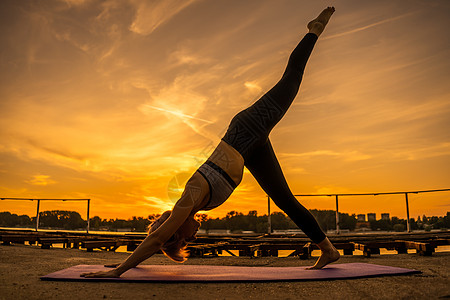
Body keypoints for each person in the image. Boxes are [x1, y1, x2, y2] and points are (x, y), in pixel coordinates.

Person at [81, 6, 339, 278]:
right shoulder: (196, 204)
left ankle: (314, 30)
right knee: (285, 200)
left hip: (248, 129)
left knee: (291, 78)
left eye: (184, 239)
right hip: (252, 149)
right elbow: (155, 243)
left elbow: (156, 240)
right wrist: (130, 264)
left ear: (176, 228)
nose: (193, 236)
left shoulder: (188, 197)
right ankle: (328, 250)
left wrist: (119, 270)